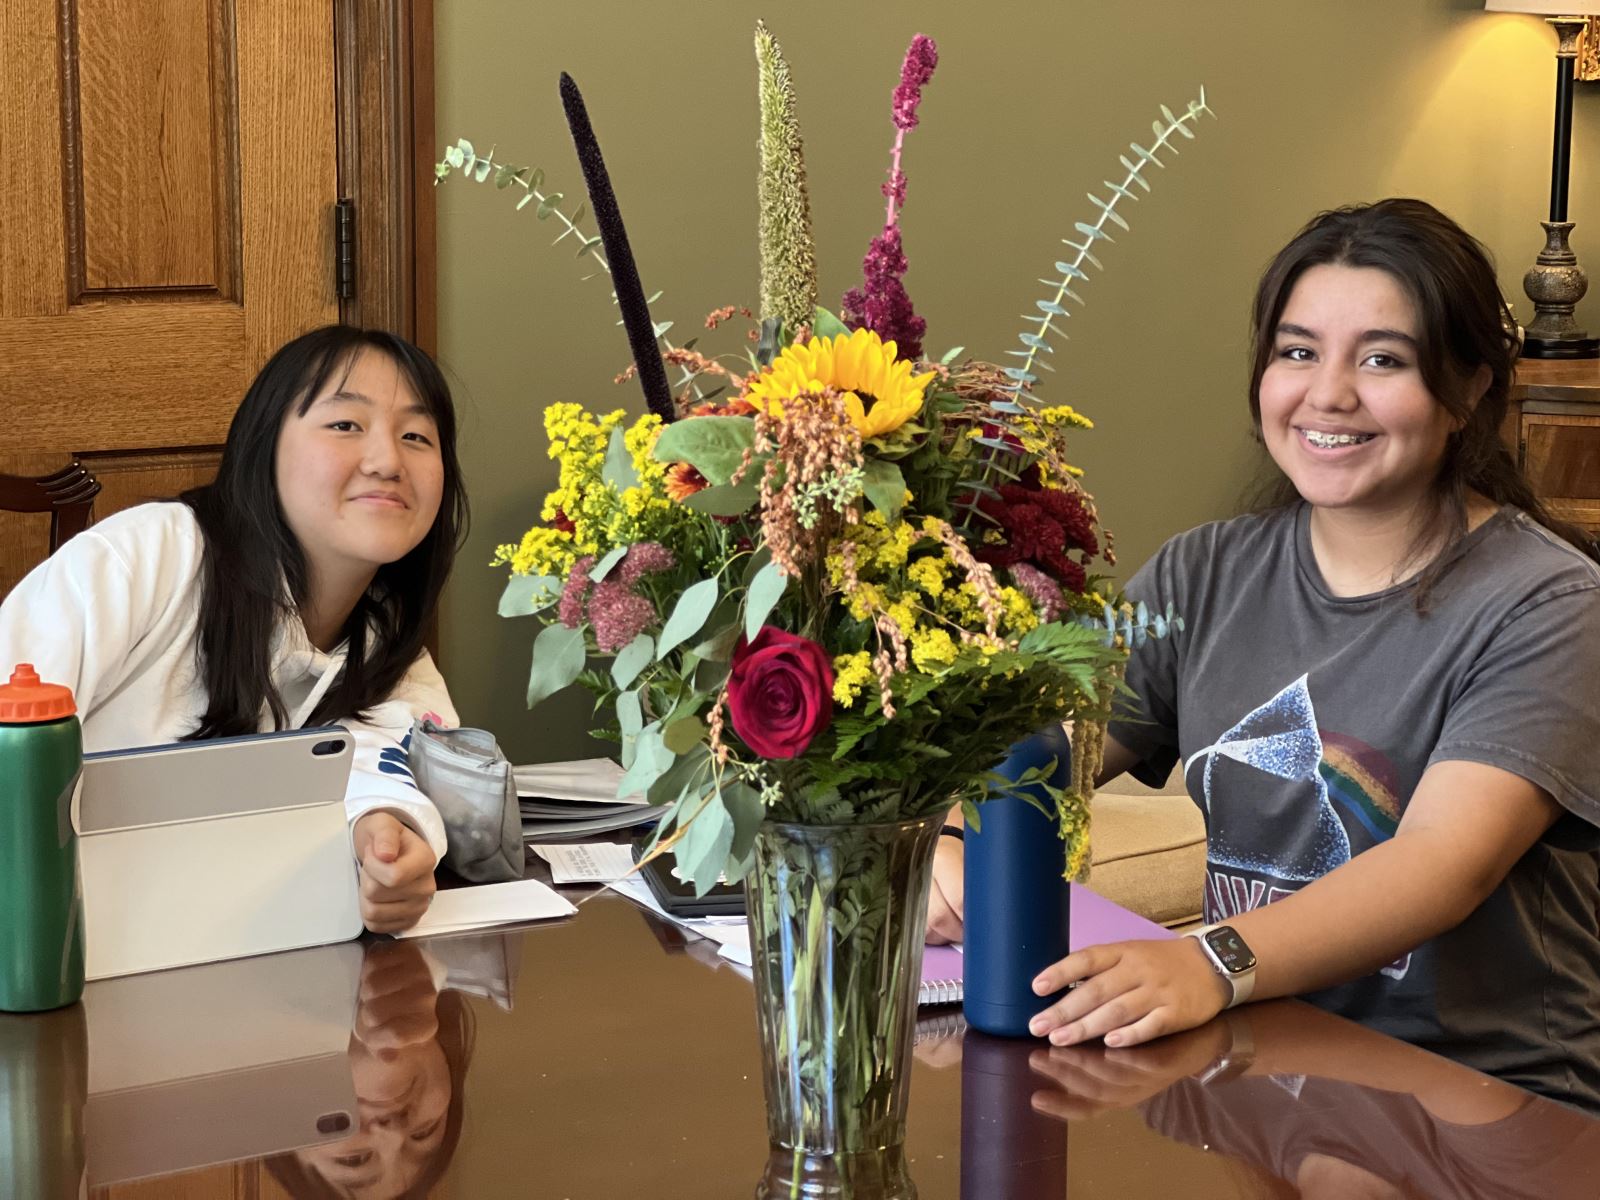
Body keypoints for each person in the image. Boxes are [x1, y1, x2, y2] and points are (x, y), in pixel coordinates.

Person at [928, 198, 1600, 1107]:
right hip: (1259, 1066)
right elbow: (1034, 746)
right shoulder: (1203, 574)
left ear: (1472, 386)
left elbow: (1442, 862)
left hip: (1486, 1104)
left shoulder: (1550, 603)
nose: (1328, 394)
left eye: (1383, 359)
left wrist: (1212, 960)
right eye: (1297, 351)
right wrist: (947, 839)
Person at [0, 325, 469, 934]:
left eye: (416, 436)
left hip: (239, 971)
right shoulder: (152, 554)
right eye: (345, 425)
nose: (387, 462)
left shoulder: (390, 653)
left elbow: (399, 778)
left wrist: (390, 846)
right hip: (52, 955)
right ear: (263, 445)